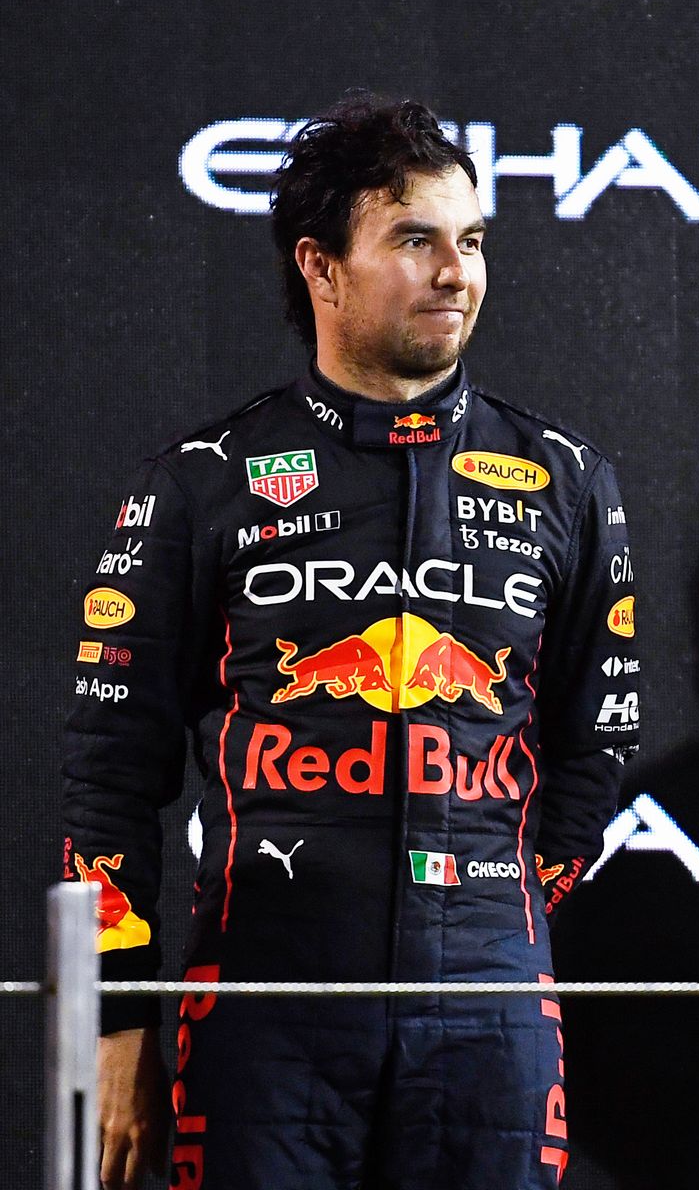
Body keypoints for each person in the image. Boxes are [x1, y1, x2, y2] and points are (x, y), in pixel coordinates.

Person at [62, 95, 640, 1189]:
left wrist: (490, 900)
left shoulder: (566, 478)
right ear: (321, 267)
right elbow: (110, 775)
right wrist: (118, 1017)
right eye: (416, 239)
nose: (456, 273)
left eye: (472, 241)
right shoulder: (204, 479)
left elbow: (597, 744)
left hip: (488, 1002)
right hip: (264, 1001)